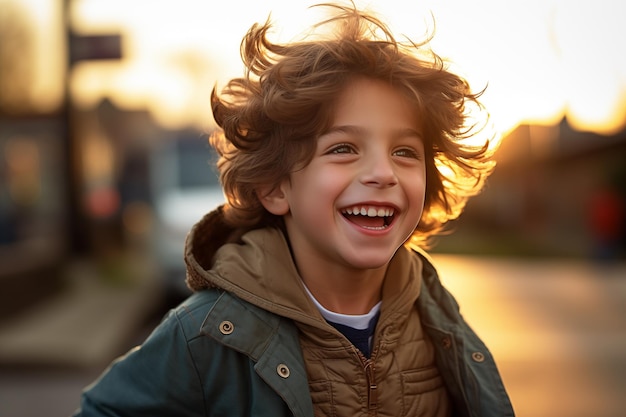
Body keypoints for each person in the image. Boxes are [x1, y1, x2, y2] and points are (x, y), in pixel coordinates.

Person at [73, 3, 514, 416]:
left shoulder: (440, 323)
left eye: (404, 152)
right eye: (343, 148)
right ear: (274, 187)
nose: (383, 173)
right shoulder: (206, 335)